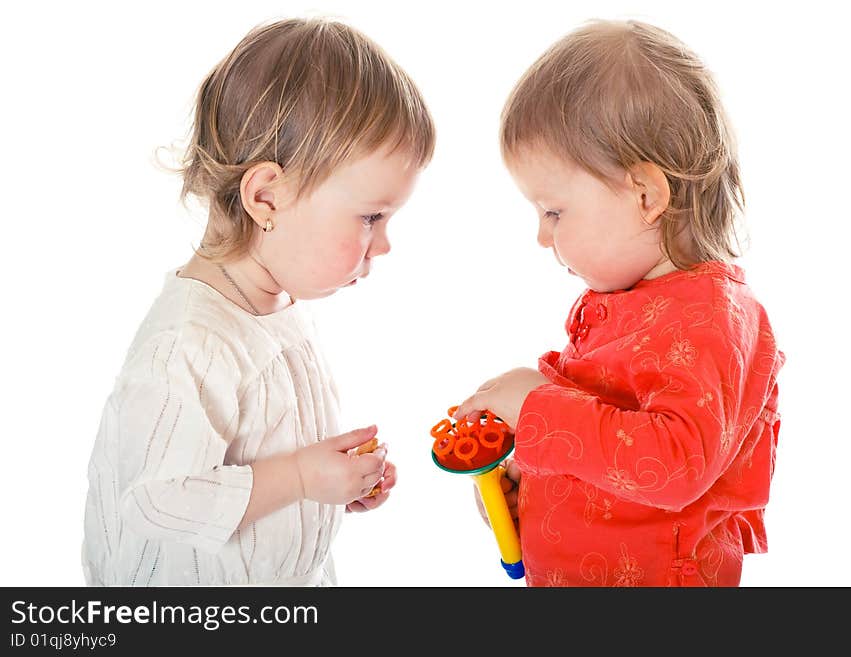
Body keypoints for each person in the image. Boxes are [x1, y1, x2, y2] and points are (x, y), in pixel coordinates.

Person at [82, 17, 435, 586]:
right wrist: (299, 479)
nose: (385, 244)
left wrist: (327, 488)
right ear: (266, 196)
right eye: (371, 217)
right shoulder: (188, 344)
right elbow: (156, 502)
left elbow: (249, 474)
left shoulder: (277, 312)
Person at [456, 19, 784, 587]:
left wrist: (535, 408)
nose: (542, 235)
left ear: (646, 195)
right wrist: (528, 481)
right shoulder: (625, 303)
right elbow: (607, 448)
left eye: (554, 212)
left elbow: (675, 462)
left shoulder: (714, 317)